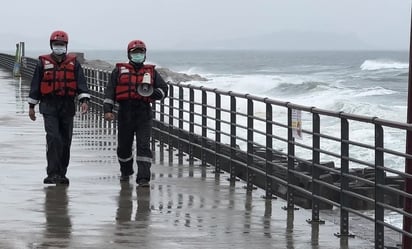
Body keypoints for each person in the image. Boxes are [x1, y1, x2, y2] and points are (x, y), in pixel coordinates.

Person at [28, 30, 90, 185]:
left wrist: (84, 101)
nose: (59, 47)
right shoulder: (42, 63)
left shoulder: (74, 64)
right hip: (49, 105)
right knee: (53, 138)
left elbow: (81, 84)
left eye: (62, 44)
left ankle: (62, 173)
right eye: (56, 44)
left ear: (66, 46)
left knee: (65, 140)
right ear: (51, 45)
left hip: (67, 105)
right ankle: (52, 173)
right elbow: (35, 84)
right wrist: (31, 106)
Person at [103, 39, 168, 187]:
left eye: (141, 52)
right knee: (124, 147)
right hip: (125, 113)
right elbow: (110, 91)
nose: (138, 55)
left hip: (143, 113)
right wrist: (108, 110)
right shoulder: (118, 71)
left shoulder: (151, 72)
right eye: (135, 52)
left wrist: (155, 93)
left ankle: (143, 178)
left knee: (143, 146)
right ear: (129, 54)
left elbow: (164, 89)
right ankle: (126, 171)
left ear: (145, 54)